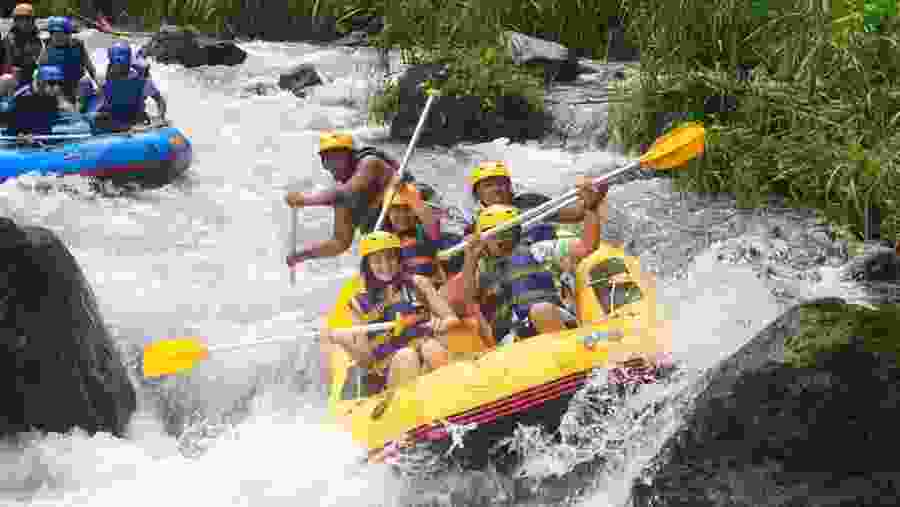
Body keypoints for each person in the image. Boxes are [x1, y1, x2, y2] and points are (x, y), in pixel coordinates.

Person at [461, 178, 608, 345]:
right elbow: (468, 300)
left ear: (517, 234)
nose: (502, 240)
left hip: (553, 319)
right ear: (484, 240)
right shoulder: (479, 267)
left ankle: (579, 360)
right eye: (495, 234)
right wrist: (469, 259)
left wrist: (591, 208)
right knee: (538, 313)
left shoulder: (538, 250)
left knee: (541, 310)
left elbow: (587, 246)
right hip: (513, 339)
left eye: (508, 233)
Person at [324, 231, 460, 392]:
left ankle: (455, 396)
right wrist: (344, 342)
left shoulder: (419, 283)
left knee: (430, 347)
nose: (386, 265)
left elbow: (452, 319)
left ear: (399, 259)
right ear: (368, 265)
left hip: (426, 359)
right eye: (377, 261)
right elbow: (366, 361)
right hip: (393, 373)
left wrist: (442, 324)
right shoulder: (358, 304)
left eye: (390, 258)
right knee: (406, 356)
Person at [284, 131, 402, 267]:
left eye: (337, 157)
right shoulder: (341, 197)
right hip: (386, 246)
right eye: (326, 159)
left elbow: (344, 193)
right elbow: (339, 243)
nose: (332, 164)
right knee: (369, 267)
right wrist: (303, 255)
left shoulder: (370, 163)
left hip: (412, 229)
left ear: (351, 155)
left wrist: (305, 200)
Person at [466, 160, 607, 244]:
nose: (496, 189)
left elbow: (576, 215)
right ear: (478, 194)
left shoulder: (530, 202)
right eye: (489, 185)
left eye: (501, 183)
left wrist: (594, 198)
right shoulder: (476, 227)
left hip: (551, 256)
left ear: (509, 187)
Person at [92, 42, 166, 130]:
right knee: (99, 118)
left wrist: (160, 118)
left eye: (123, 64)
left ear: (128, 62)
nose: (119, 67)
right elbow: (99, 101)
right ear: (111, 61)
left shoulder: (141, 80)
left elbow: (160, 101)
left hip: (135, 119)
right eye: (117, 63)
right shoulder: (103, 78)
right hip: (113, 120)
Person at [37, 16, 98, 105]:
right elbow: (40, 70)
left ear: (68, 34)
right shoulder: (46, 47)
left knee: (85, 81)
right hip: (57, 86)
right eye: (56, 33)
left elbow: (90, 67)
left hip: (75, 86)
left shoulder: (77, 46)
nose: (59, 37)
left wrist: (97, 84)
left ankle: (78, 109)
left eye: (62, 33)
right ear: (51, 34)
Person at [1, 65, 76, 136]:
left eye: (59, 83)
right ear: (40, 82)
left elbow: (53, 121)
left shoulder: (52, 97)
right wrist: (20, 134)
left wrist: (67, 111)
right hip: (22, 143)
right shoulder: (22, 97)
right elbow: (10, 126)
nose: (57, 87)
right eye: (51, 83)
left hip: (43, 139)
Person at [0, 4, 43, 97]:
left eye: (28, 19)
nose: (25, 22)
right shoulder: (6, 41)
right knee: (6, 78)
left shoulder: (39, 40)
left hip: (32, 81)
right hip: (11, 82)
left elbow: (40, 62)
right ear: (15, 21)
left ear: (33, 20)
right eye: (20, 19)